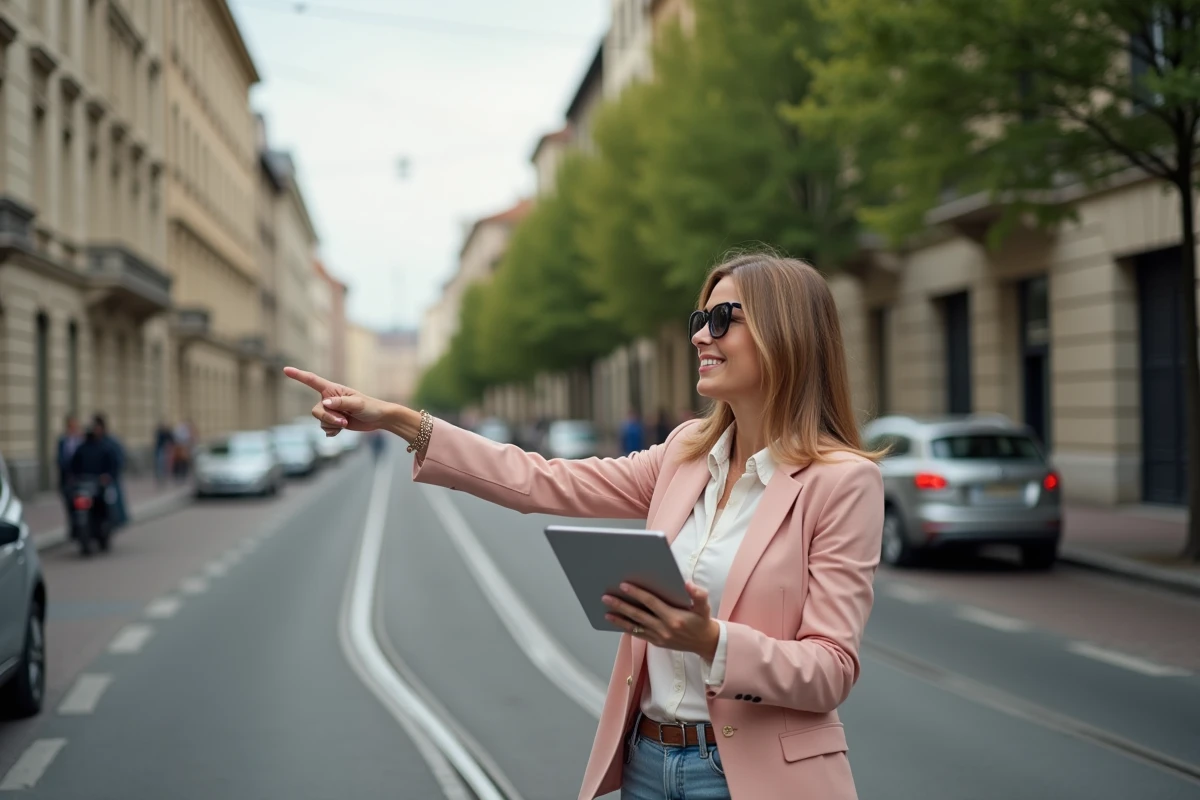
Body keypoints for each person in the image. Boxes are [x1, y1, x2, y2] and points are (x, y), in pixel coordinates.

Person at [284, 252, 884, 800]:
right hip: (649, 764)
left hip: (754, 779)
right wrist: (398, 419)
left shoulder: (841, 482)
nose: (701, 334)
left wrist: (710, 641)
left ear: (786, 335)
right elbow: (543, 480)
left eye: (725, 318)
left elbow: (831, 669)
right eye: (700, 318)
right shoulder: (685, 455)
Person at [91, 415, 128, 528]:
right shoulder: (94, 441)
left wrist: (110, 474)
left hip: (110, 476)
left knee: (113, 499)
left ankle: (117, 520)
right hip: (98, 478)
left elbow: (118, 459)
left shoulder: (110, 441)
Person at [56, 415, 83, 520]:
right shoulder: (63, 440)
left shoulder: (81, 440)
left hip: (79, 478)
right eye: (70, 426)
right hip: (66, 478)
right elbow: (60, 458)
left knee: (79, 502)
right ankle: (72, 522)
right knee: (68, 502)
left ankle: (79, 521)